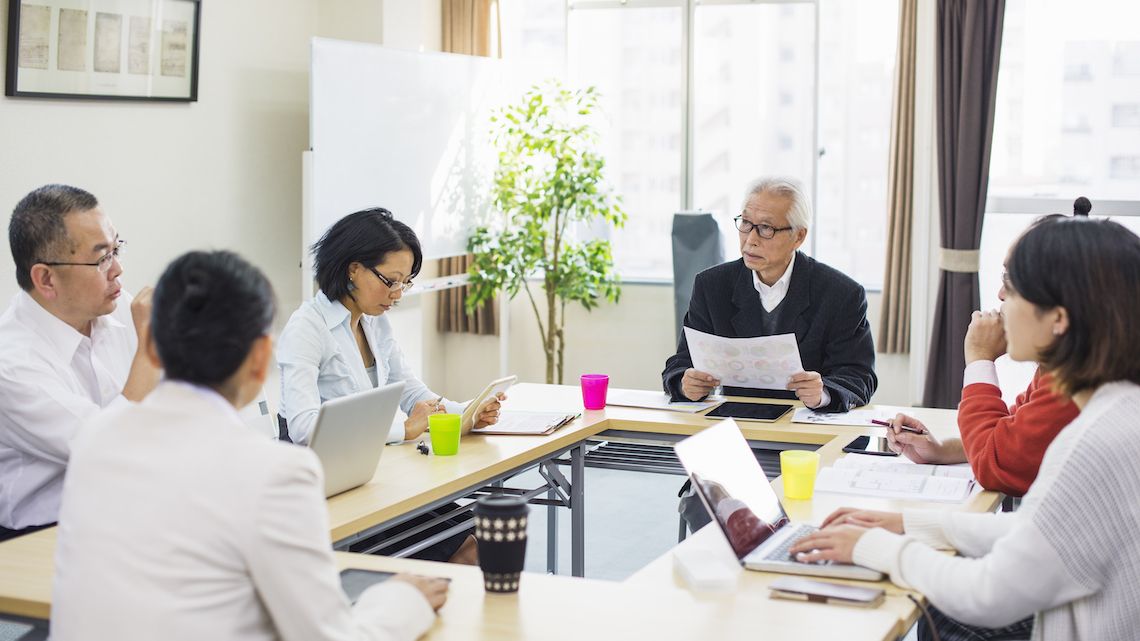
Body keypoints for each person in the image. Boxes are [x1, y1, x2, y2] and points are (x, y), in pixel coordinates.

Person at [51, 250, 449, 641]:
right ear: (261, 360)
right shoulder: (276, 473)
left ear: (151, 347)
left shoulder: (94, 439)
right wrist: (404, 599)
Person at [791, 215, 1140, 641]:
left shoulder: (1093, 441)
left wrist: (869, 547)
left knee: (930, 609)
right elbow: (1041, 532)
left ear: (1059, 319)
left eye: (1013, 284)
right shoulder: (1118, 409)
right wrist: (908, 523)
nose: (999, 297)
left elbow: (989, 594)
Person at [277, 208, 499, 563]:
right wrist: (405, 428)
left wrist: (469, 413)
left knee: (491, 534)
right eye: (390, 280)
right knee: (470, 548)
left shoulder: (373, 323)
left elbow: (412, 391)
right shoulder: (307, 328)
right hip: (325, 487)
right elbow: (303, 427)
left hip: (370, 475)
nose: (397, 294)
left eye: (405, 282)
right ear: (353, 268)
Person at [885, 199, 1091, 497]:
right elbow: (1009, 434)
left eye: (1011, 279)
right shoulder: (1060, 363)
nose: (1000, 294)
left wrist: (980, 360)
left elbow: (999, 465)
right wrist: (941, 450)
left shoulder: (1076, 382)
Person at [0, 184, 160, 541]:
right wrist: (150, 350)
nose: (117, 269)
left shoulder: (119, 308)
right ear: (46, 278)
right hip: (41, 536)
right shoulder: (10, 365)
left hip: (127, 517)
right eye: (101, 258)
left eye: (116, 248)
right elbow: (111, 450)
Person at [662, 177, 876, 413]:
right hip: (735, 425)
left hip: (808, 433)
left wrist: (823, 393)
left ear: (798, 236)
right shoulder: (712, 285)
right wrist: (685, 384)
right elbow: (681, 362)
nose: (750, 240)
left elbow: (860, 376)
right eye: (745, 223)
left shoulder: (841, 294)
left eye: (766, 228)